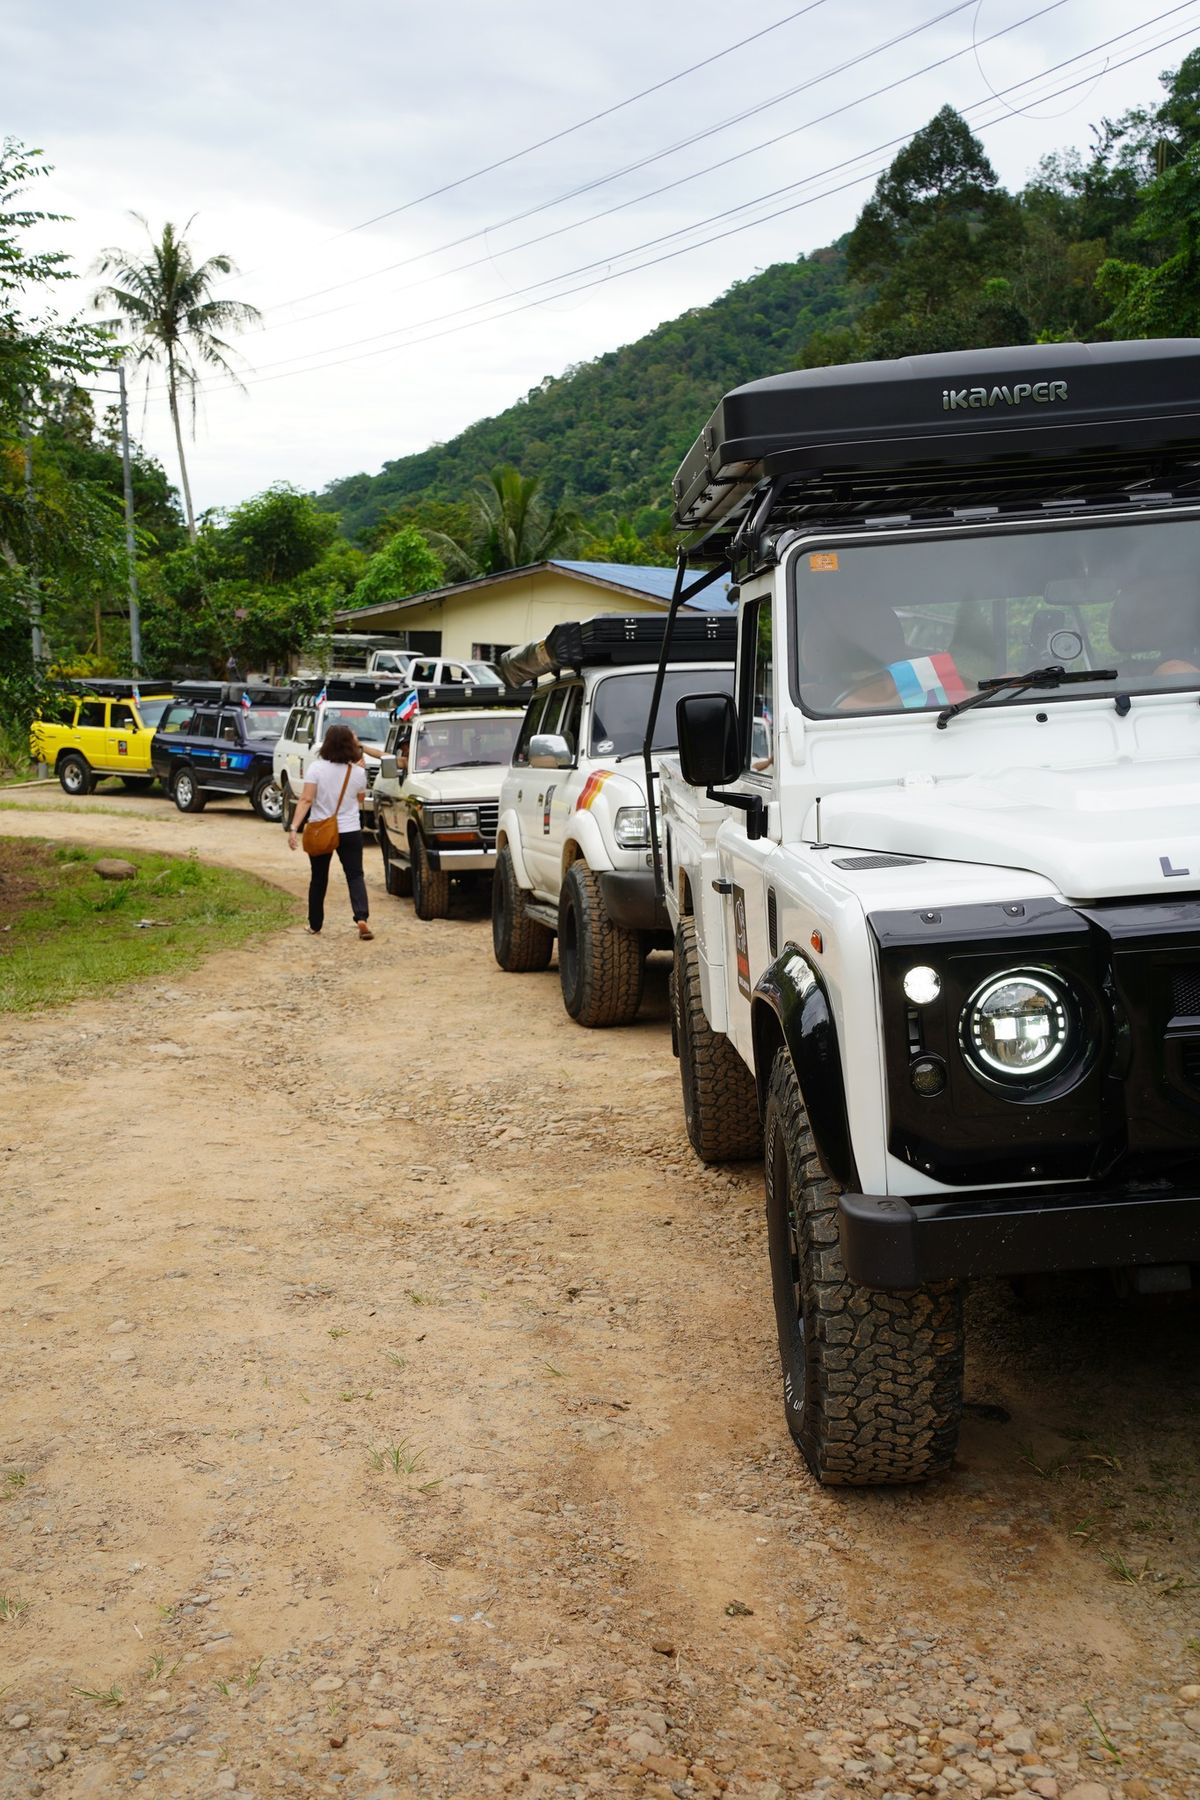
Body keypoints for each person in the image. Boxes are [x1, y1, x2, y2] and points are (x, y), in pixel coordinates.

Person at [287, 724, 373, 939]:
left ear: (327, 743)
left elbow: (306, 799)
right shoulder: (359, 771)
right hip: (350, 829)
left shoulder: (316, 768)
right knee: (355, 875)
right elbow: (360, 799)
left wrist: (294, 827)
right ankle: (361, 917)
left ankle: (315, 924)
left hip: (321, 828)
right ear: (350, 745)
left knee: (318, 878)